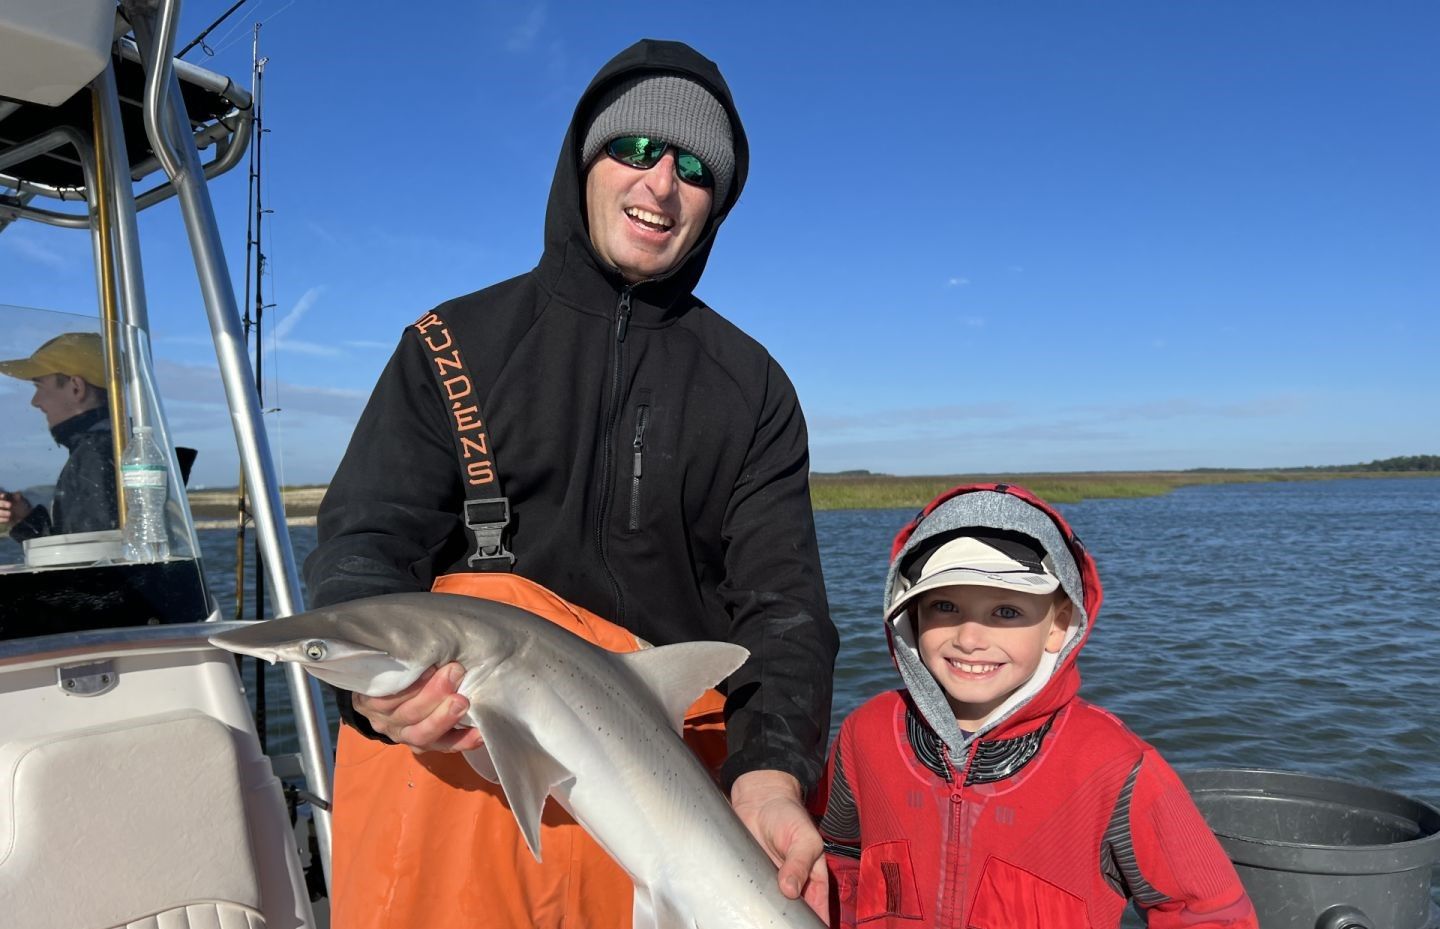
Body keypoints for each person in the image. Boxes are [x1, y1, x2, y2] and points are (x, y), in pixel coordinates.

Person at [304, 38, 838, 925]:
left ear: (717, 204)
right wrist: (370, 694)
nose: (659, 184)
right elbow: (363, 545)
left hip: (659, 809)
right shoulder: (450, 344)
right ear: (583, 160)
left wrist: (771, 773)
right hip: (453, 782)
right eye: (635, 150)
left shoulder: (754, 390)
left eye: (694, 167)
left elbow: (784, 613)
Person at [818, 483, 1258, 928]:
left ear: (1059, 624)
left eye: (1005, 612)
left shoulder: (1112, 764)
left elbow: (1207, 912)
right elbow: (837, 853)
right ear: (910, 615)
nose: (969, 639)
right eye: (944, 606)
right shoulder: (865, 734)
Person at [0, 332, 118, 542]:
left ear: (76, 387)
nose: (35, 402)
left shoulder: (96, 454)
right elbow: (86, 549)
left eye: (39, 386)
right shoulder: (118, 444)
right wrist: (25, 519)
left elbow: (92, 563)